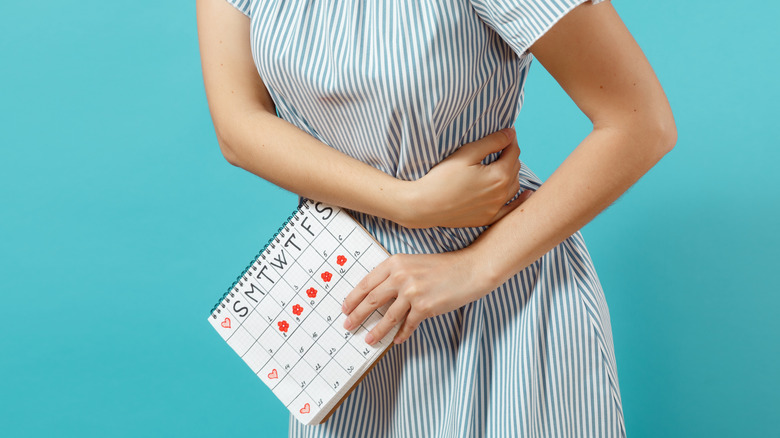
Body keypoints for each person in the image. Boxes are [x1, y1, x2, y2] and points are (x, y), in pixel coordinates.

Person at [197, 0, 676, 436]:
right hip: (351, 299)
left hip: (502, 294)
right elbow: (239, 125)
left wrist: (472, 269)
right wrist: (406, 202)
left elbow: (639, 122)